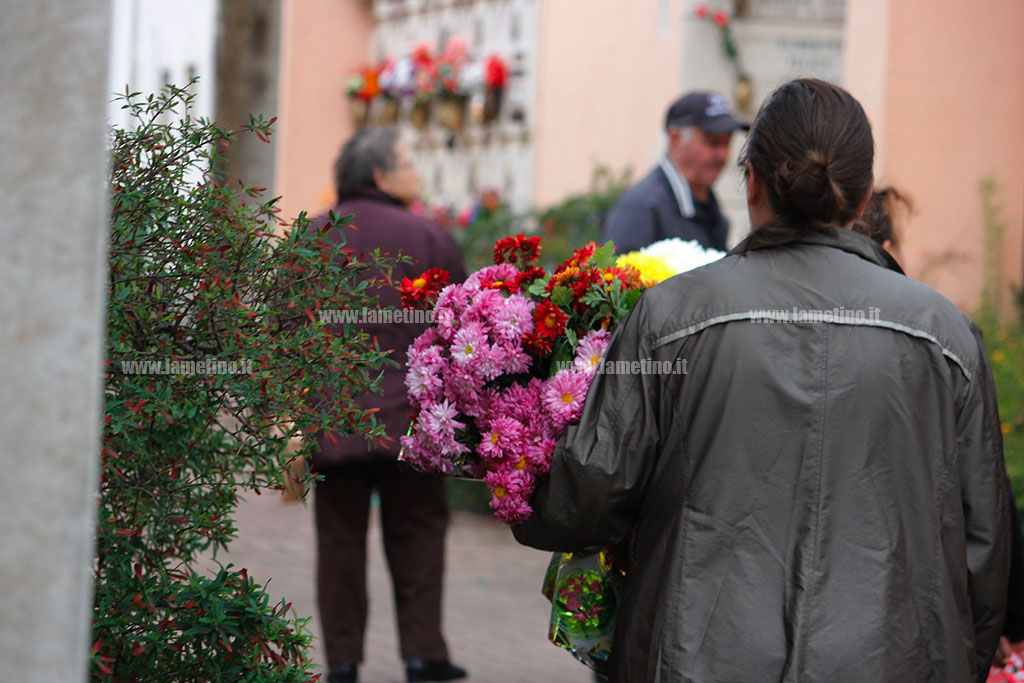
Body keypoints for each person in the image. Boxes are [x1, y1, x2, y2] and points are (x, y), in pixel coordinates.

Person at [515, 79, 1010, 682]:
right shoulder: (948, 337)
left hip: (695, 657)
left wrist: (510, 465)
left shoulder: (670, 318)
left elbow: (589, 494)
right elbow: (983, 550)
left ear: (751, 184)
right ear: (860, 202)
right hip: (891, 658)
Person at [308, 128, 468, 683]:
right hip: (412, 421)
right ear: (380, 175)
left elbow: (283, 332)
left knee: (339, 542)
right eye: (407, 163)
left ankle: (343, 663)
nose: (414, 173)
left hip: (333, 424)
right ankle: (423, 655)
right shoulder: (428, 236)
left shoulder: (310, 238)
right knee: (419, 531)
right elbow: (460, 329)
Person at [602, 91, 747, 253]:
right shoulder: (641, 207)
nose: (722, 155)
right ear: (675, 140)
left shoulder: (707, 204)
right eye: (713, 142)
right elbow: (618, 273)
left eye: (727, 143)